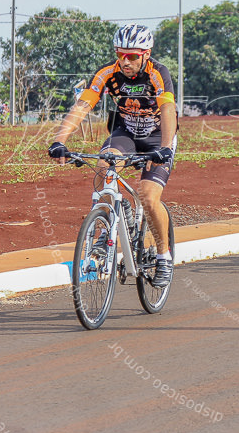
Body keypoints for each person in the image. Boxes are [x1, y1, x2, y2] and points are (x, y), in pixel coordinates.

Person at [47, 24, 178, 287]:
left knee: (149, 198)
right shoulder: (108, 73)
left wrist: (164, 147)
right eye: (120, 54)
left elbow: (168, 111)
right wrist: (59, 140)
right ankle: (105, 225)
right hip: (125, 133)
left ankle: (163, 256)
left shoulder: (158, 73)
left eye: (132, 56)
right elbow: (83, 105)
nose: (125, 61)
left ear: (146, 54)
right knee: (104, 164)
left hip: (157, 136)